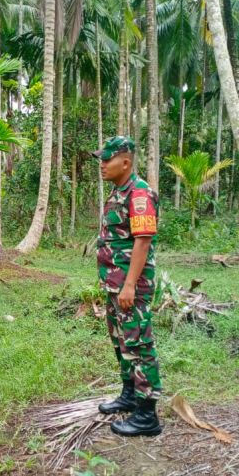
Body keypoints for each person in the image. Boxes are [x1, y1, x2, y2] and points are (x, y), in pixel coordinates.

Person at [92, 136, 163, 436]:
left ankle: (147, 415)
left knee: (139, 345)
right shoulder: (118, 192)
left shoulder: (139, 193)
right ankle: (129, 395)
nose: (102, 164)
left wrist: (130, 285)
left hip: (131, 285)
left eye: (107, 159)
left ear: (125, 162)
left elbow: (143, 241)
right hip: (115, 284)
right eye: (101, 159)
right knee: (121, 342)